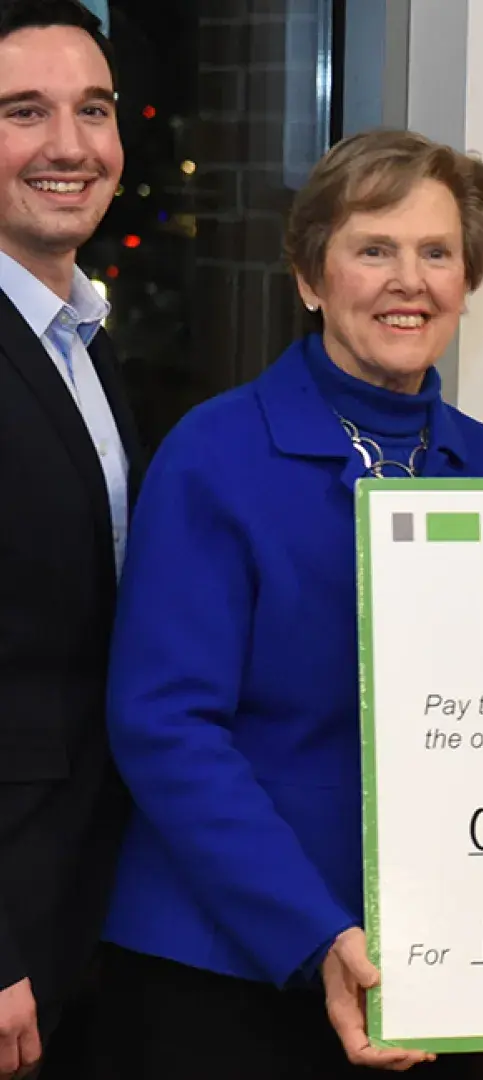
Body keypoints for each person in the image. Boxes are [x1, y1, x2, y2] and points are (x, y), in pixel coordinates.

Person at [96, 129, 483, 1079]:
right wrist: (314, 929)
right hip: (226, 972)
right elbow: (165, 728)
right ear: (309, 276)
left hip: (438, 965)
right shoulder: (214, 455)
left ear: (469, 281)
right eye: (372, 249)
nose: (407, 281)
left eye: (436, 253)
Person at [0, 2, 140, 1077]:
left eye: (92, 110)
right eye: (23, 112)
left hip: (82, 897)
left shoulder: (81, 343)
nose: (69, 146)